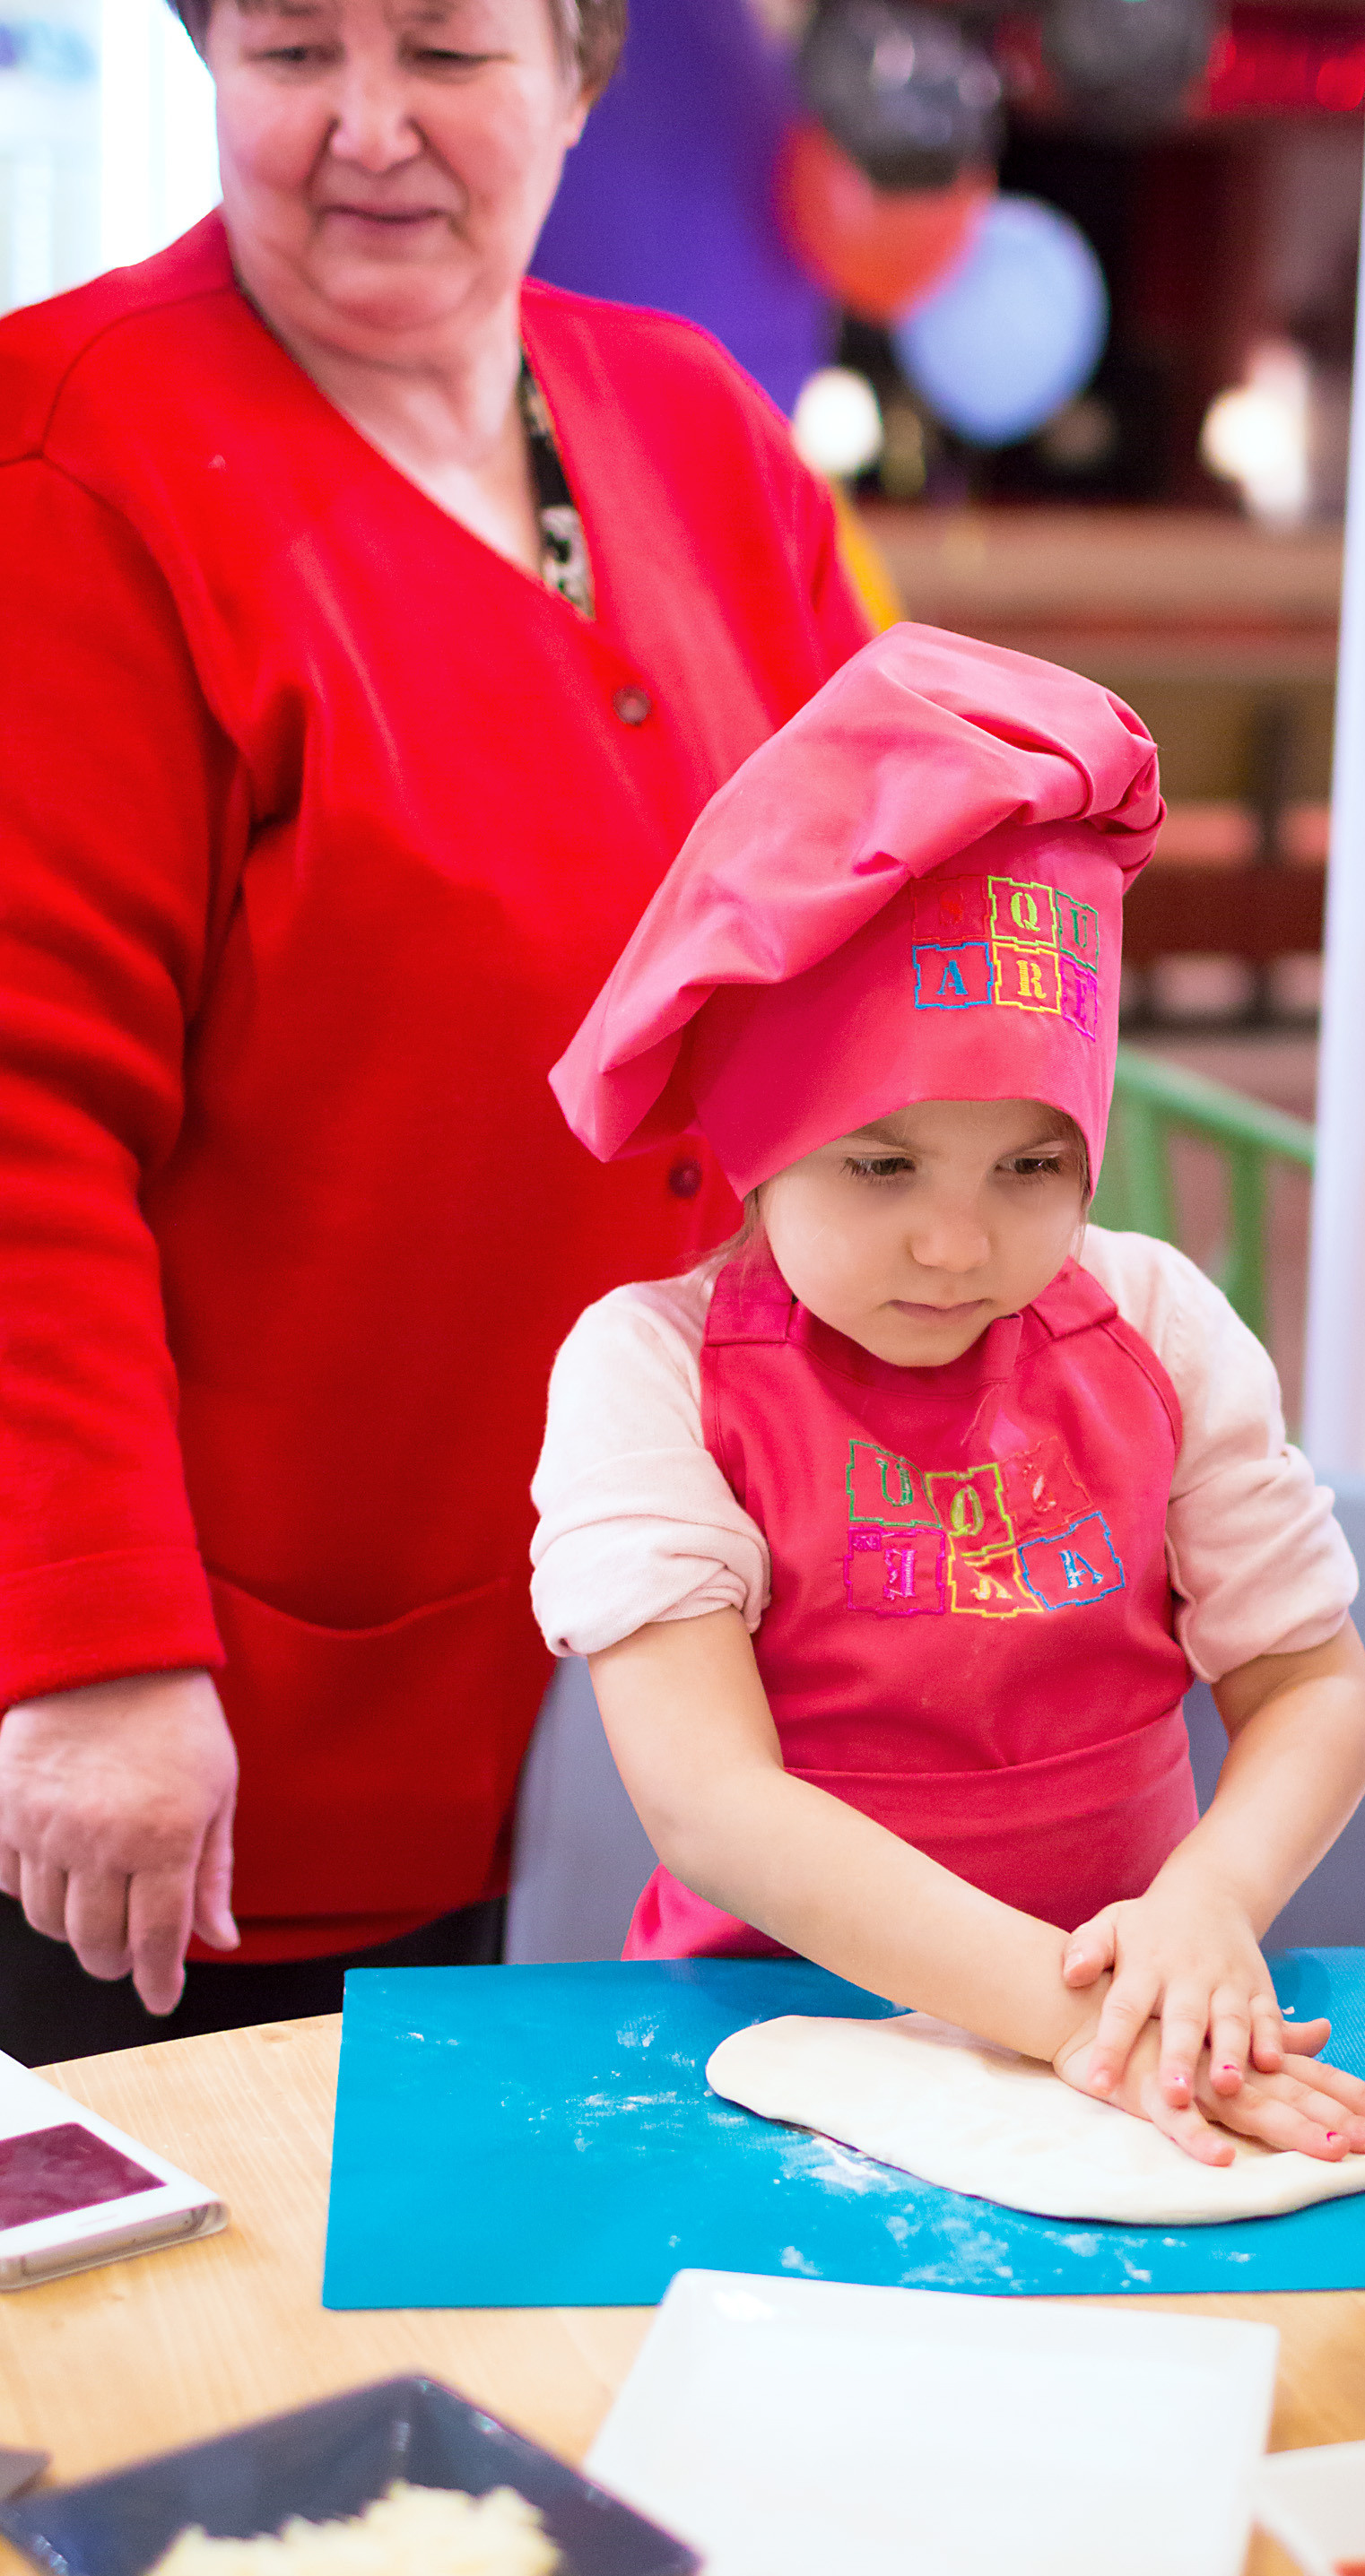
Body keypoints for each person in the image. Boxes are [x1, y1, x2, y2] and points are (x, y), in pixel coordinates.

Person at [0, 0, 868, 2065]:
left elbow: (876, 935)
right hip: (245, 1747)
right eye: (293, 48)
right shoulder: (71, 454)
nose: (367, 129)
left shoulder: (693, 421)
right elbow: (24, 1119)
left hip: (714, 1710)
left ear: (577, 80)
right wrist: (89, 1644)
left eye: (449, 55)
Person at [531, 627, 1365, 2164]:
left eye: (1031, 1168)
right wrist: (1075, 2021)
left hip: (1135, 2047)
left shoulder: (1154, 1328)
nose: (956, 1241)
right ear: (757, 1142)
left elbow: (1313, 1690)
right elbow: (714, 1807)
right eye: (880, 1166)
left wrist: (1204, 1908)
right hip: (757, 2047)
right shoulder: (651, 1373)